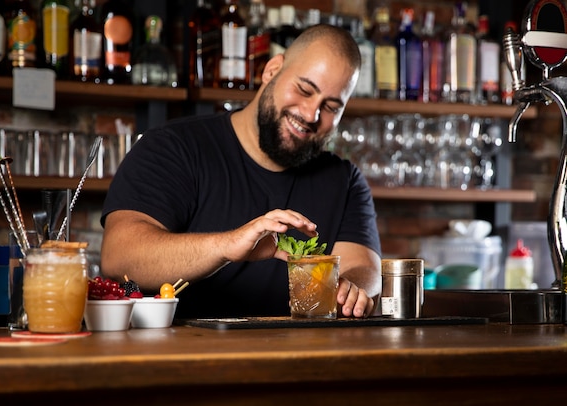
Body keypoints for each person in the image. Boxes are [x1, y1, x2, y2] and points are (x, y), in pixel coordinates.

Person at [100, 23, 382, 319]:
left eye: (331, 107)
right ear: (272, 70)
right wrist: (228, 245)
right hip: (183, 359)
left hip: (298, 360)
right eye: (304, 89)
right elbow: (119, 258)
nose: (311, 114)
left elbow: (364, 268)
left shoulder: (344, 180)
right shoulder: (173, 146)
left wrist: (353, 289)